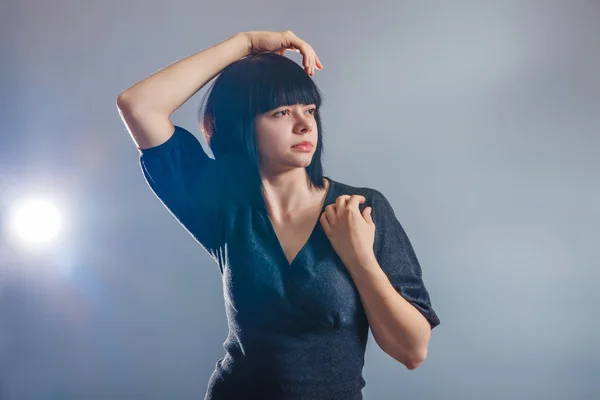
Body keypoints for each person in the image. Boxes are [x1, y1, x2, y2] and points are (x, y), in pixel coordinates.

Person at [116, 30, 440, 400]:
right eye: (281, 112)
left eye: (309, 110)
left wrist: (359, 258)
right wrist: (247, 43)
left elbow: (412, 351)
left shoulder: (361, 209)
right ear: (242, 125)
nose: (304, 125)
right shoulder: (221, 204)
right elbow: (138, 104)